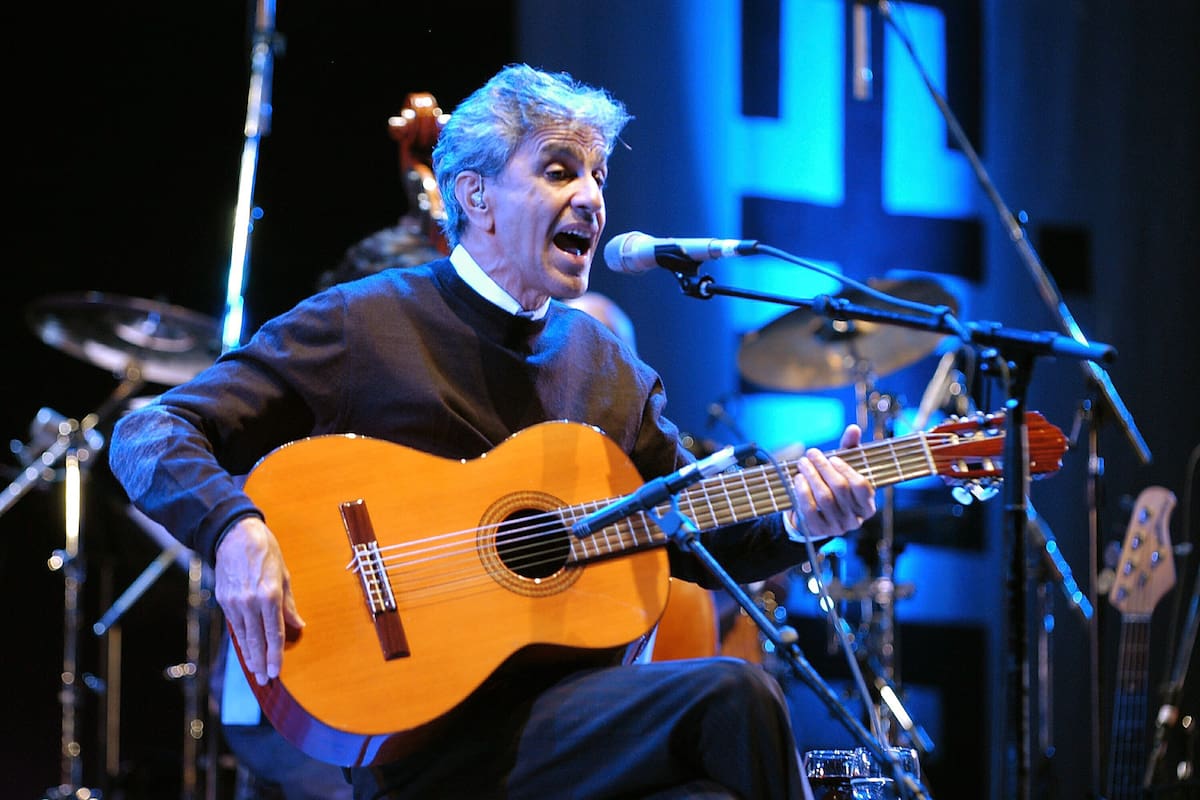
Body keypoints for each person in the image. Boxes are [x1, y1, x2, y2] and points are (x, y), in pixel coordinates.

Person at [107, 63, 877, 799]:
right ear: (475, 195)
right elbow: (151, 432)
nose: (591, 198)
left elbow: (693, 532)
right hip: (421, 738)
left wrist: (800, 520)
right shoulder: (365, 324)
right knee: (736, 695)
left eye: (599, 176)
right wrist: (233, 529)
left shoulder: (609, 369)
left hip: (579, 726)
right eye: (559, 171)